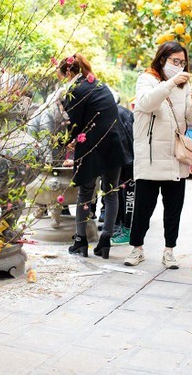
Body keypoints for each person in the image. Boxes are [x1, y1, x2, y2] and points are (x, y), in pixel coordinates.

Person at [125, 41, 192, 269]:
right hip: (150, 156)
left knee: (173, 210)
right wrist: (170, 83)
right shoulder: (147, 79)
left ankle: (169, 251)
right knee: (143, 209)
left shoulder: (184, 86)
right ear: (162, 60)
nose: (179, 66)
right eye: (175, 61)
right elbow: (145, 103)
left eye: (182, 62)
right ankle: (137, 249)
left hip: (175, 157)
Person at [58, 54, 132, 259]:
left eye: (62, 75)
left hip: (93, 146)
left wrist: (61, 143)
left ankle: (80, 241)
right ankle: (105, 242)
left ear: (69, 72)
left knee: (85, 193)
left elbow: (73, 125)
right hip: (115, 144)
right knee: (111, 193)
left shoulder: (75, 90)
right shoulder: (99, 85)